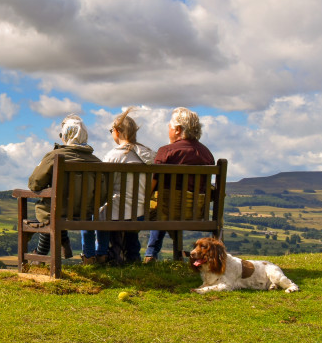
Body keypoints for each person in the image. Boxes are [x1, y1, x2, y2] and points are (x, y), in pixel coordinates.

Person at [144, 107, 214, 263]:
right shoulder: (207, 154)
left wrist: (141, 201)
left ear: (177, 129)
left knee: (158, 209)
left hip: (166, 210)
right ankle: (171, 254)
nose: (168, 131)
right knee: (166, 208)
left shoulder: (167, 151)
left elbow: (152, 183)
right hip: (195, 212)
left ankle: (147, 255)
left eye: (169, 128)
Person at [27, 114, 100, 259]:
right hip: (85, 212)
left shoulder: (54, 156)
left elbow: (34, 184)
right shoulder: (96, 161)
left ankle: (40, 254)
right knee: (58, 210)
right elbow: (102, 193)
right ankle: (65, 243)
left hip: (55, 211)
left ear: (66, 135)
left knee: (52, 211)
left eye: (62, 135)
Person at [98, 107, 155, 264]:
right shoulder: (149, 155)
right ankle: (132, 257)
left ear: (116, 131)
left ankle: (108, 255)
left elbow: (103, 187)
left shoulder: (113, 156)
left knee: (102, 210)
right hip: (140, 212)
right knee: (129, 210)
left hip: (115, 212)